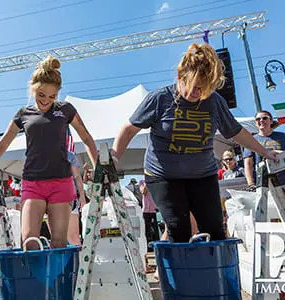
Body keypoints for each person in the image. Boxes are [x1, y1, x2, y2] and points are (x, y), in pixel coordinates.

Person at [111, 43, 278, 242]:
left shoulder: (214, 102)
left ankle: (213, 271)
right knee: (178, 229)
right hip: (163, 175)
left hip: (202, 175)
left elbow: (237, 132)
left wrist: (265, 152)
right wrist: (114, 157)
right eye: (192, 87)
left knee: (214, 230)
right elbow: (129, 129)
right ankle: (174, 271)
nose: (196, 94)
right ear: (179, 78)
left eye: (203, 89)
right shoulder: (160, 99)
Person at [0, 55, 97, 249]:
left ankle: (55, 280)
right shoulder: (23, 114)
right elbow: (2, 144)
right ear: (33, 89)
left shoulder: (66, 110)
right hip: (33, 183)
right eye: (41, 95)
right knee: (29, 241)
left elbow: (86, 137)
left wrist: (98, 166)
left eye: (52, 97)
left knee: (59, 243)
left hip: (61, 182)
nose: (46, 101)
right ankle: (36, 279)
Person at [244, 110, 285, 186]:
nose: (261, 120)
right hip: (264, 183)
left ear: (271, 121)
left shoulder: (282, 136)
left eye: (264, 118)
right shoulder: (251, 140)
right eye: (258, 119)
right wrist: (250, 184)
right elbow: (248, 163)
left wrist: (278, 152)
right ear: (256, 123)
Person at [67, 151, 86, 245]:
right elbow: (77, 177)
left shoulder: (69, 155)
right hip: (49, 198)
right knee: (58, 240)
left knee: (73, 238)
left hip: (68, 198)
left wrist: (82, 198)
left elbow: (77, 177)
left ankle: (77, 259)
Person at [139, 180, 159, 252]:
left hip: (154, 210)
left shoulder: (155, 180)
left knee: (155, 230)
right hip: (146, 211)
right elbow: (143, 192)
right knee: (146, 230)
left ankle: (157, 248)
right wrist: (147, 182)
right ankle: (148, 248)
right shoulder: (142, 182)